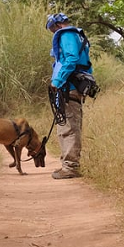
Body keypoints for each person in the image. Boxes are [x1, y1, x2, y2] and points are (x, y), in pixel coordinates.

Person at [46, 12, 93, 179]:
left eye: (52, 29)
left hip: (69, 87)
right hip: (71, 87)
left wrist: (57, 80)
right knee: (66, 124)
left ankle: (70, 167)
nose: (52, 33)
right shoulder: (77, 35)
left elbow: (71, 58)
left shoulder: (66, 34)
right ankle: (67, 165)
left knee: (69, 127)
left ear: (57, 25)